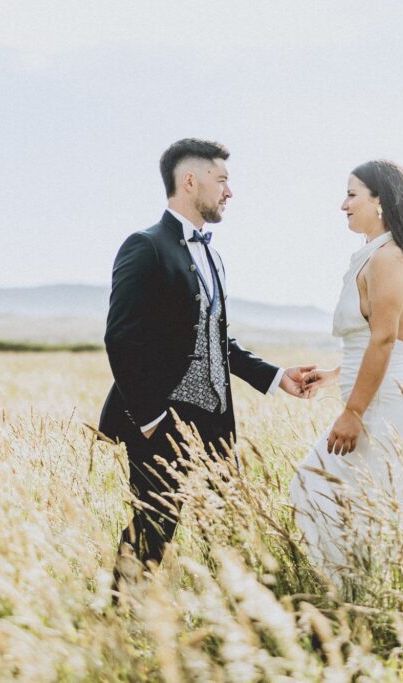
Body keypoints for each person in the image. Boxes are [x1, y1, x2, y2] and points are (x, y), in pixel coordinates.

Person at [98, 138, 313, 591]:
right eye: (222, 180)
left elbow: (216, 340)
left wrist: (275, 377)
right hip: (161, 421)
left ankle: (234, 624)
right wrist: (151, 418)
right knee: (154, 529)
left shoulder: (212, 255)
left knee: (229, 530)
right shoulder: (145, 246)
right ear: (190, 181)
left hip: (216, 422)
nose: (229, 192)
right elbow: (121, 338)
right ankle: (118, 619)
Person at [289, 159, 403, 587]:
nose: (343, 205)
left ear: (381, 201)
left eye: (352, 194)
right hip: (373, 393)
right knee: (331, 497)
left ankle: (358, 595)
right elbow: (371, 340)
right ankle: (347, 592)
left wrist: (352, 411)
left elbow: (386, 341)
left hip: (384, 404)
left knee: (325, 492)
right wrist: (336, 374)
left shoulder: (389, 258)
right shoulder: (374, 254)